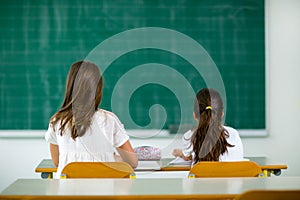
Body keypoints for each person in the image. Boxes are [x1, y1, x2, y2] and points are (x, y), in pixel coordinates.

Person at [45, 61, 138, 177]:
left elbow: (57, 161)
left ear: (70, 86)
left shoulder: (57, 122)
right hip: (104, 192)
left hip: (68, 192)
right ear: (97, 88)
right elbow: (132, 162)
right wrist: (110, 157)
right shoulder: (109, 120)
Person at [172, 88, 243, 164]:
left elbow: (187, 155)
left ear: (195, 115)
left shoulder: (189, 136)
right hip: (231, 176)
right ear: (222, 114)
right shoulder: (233, 134)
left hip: (200, 176)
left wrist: (180, 153)